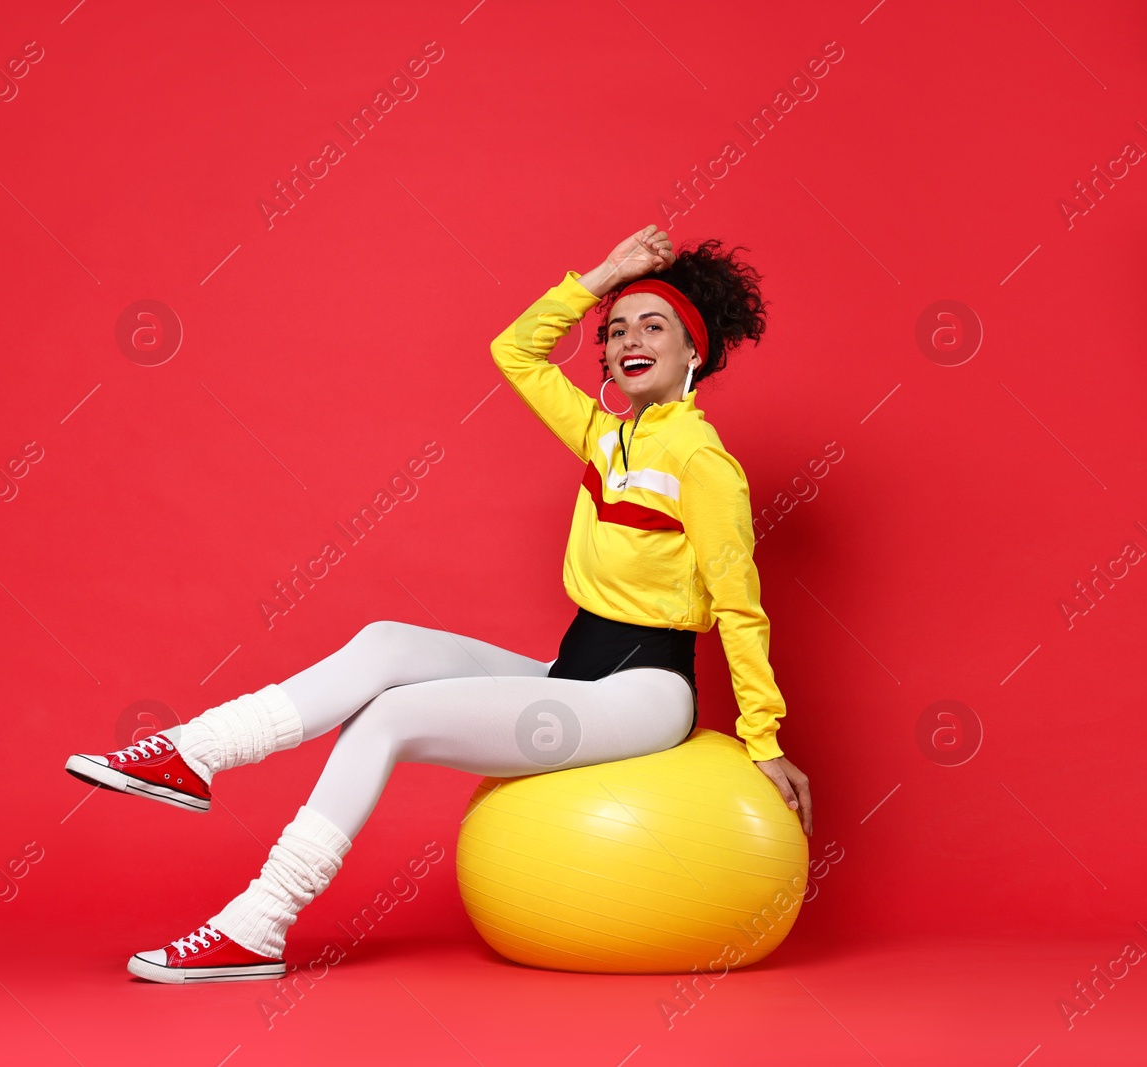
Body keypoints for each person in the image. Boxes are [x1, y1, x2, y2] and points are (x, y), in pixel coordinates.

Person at [65, 225, 814, 984]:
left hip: (647, 691)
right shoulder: (605, 436)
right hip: (575, 667)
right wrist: (605, 274)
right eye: (616, 329)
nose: (629, 339)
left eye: (654, 326)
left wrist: (765, 738)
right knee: (386, 641)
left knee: (388, 716)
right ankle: (197, 753)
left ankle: (260, 923)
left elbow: (740, 608)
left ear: (696, 351)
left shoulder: (702, 461)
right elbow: (515, 351)